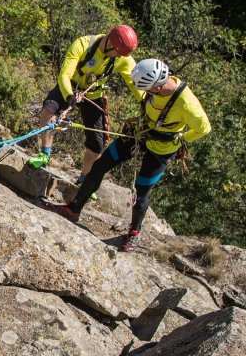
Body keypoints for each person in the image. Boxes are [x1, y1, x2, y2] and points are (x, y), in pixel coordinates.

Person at [47, 58, 211, 251]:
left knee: (142, 192)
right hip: (138, 133)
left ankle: (134, 233)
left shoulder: (187, 104)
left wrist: (179, 136)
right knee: (100, 166)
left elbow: (204, 128)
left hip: (162, 148)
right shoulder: (151, 83)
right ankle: (73, 209)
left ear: (156, 88)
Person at [28, 25, 139, 193]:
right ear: (109, 42)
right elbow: (64, 75)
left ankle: (83, 179)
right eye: (117, 52)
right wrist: (69, 96)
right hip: (70, 86)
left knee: (97, 144)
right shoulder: (83, 44)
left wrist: (147, 104)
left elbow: (136, 84)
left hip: (93, 95)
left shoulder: (122, 58)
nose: (119, 56)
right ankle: (45, 154)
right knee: (49, 110)